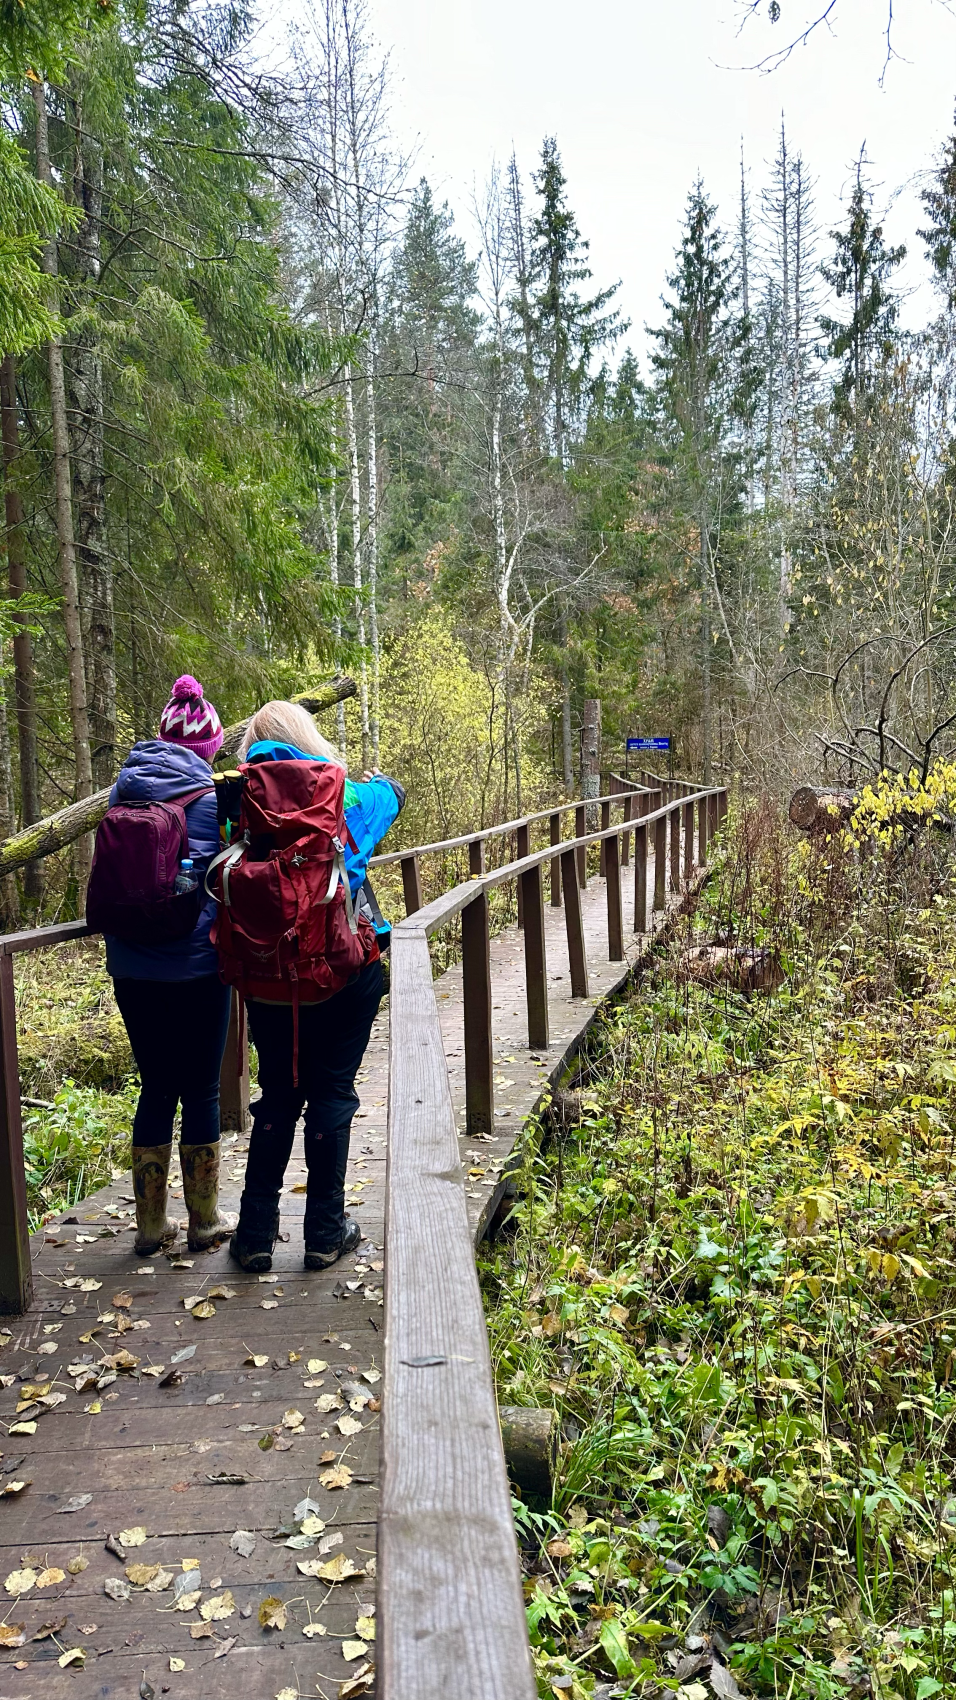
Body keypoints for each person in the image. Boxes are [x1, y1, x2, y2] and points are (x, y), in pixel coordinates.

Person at [224, 701, 404, 1273]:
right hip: (343, 974)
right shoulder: (341, 794)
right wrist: (384, 782)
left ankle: (255, 1234)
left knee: (278, 1092)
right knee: (331, 1092)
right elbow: (391, 799)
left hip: (267, 975)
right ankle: (325, 1232)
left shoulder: (233, 798)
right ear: (309, 738)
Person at [98, 676, 238, 1256]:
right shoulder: (212, 798)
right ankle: (204, 1221)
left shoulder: (121, 791)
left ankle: (151, 1228)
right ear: (209, 747)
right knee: (201, 1089)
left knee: (155, 1085)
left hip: (131, 966)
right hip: (197, 967)